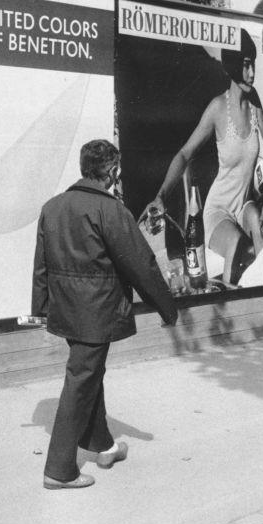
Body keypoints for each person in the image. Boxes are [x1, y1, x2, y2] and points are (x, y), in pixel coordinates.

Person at [33, 139, 178, 490]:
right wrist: (167, 308)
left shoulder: (52, 207)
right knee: (81, 381)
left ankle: (103, 445)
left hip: (66, 311)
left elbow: (41, 265)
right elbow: (141, 264)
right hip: (96, 313)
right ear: (111, 172)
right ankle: (59, 470)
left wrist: (40, 308)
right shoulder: (111, 211)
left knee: (90, 374)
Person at [146, 29, 263, 284]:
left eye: (253, 64)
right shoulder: (218, 107)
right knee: (236, 245)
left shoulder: (254, 104)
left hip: (244, 205)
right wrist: (161, 195)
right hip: (218, 209)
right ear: (231, 66)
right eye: (245, 65)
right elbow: (185, 154)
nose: (252, 73)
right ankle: (231, 311)